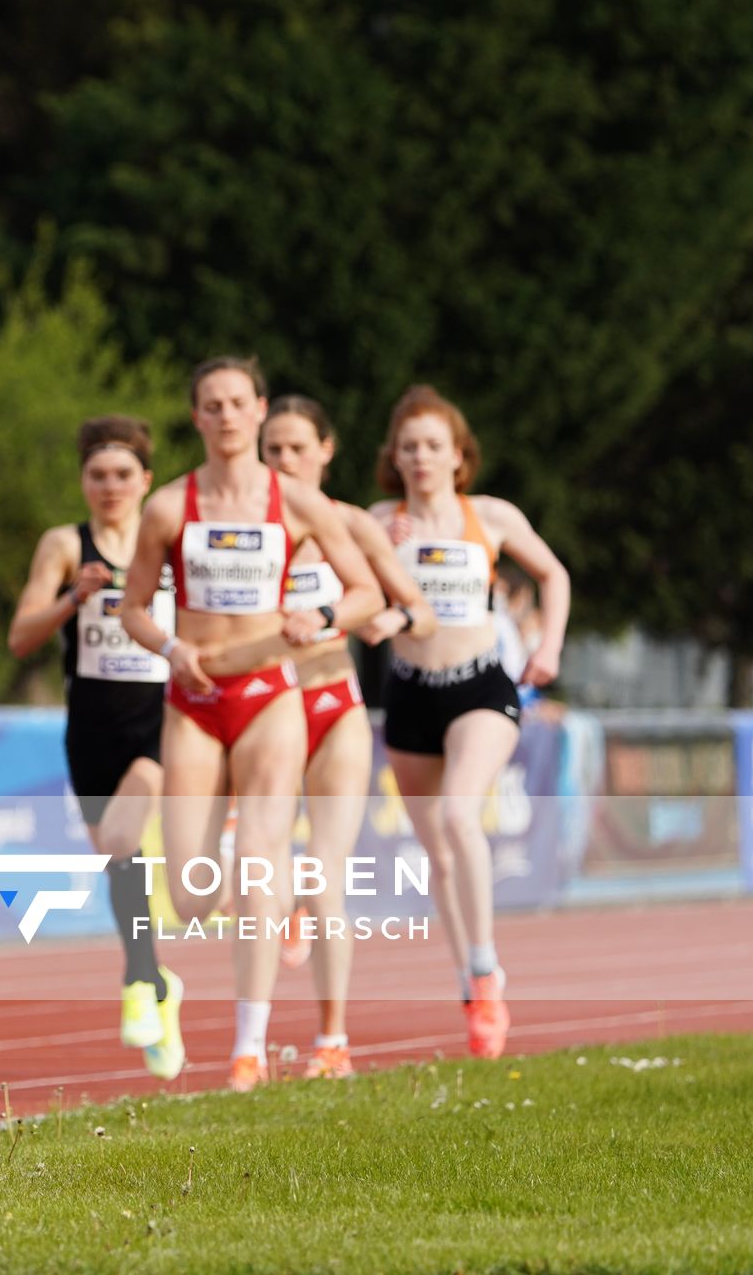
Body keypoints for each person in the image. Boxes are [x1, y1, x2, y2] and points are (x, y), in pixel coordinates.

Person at [119, 356, 379, 1093]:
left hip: (271, 692)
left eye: (238, 402)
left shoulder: (296, 503)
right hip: (195, 703)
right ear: (196, 417)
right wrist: (172, 647)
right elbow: (133, 606)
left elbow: (364, 590)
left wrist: (321, 617)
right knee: (194, 894)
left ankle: (247, 1050)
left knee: (264, 866)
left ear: (259, 409)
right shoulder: (171, 507)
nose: (227, 415)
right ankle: (234, 855)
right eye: (212, 404)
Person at [212, 395, 437, 1079]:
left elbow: (416, 610)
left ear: (326, 450)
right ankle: (250, 1042)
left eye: (297, 448)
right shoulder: (235, 523)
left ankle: (332, 1041)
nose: (284, 460)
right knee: (258, 871)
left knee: (324, 877)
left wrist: (372, 621)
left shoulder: (344, 523)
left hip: (332, 705)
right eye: (273, 448)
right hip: (259, 709)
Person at [368, 384, 569, 1059]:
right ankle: (469, 983)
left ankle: (486, 970)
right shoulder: (376, 520)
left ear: (459, 455)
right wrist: (376, 556)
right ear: (393, 457)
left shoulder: (490, 515)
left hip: (480, 685)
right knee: (440, 857)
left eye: (434, 445)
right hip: (411, 692)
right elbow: (352, 604)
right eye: (409, 446)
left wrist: (549, 647)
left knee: (460, 817)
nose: (421, 458)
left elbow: (554, 574)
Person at [7, 415, 183, 1080]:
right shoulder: (64, 543)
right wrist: (69, 600)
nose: (109, 486)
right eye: (97, 475)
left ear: (146, 480)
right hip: (90, 721)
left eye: (122, 474)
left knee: (121, 839)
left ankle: (140, 980)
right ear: (83, 481)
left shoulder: (167, 540)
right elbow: (20, 637)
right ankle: (157, 983)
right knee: (121, 860)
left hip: (159, 717)